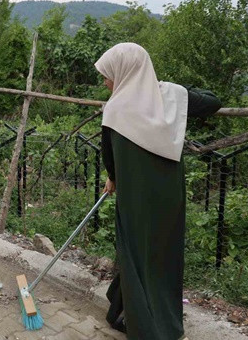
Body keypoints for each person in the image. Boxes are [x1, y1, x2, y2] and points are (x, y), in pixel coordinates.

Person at [94, 43, 222, 339]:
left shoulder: (114, 110)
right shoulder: (172, 95)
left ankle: (142, 324)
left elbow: (109, 158)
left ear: (125, 73)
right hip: (168, 197)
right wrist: (177, 88)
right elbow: (213, 102)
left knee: (135, 253)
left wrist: (113, 178)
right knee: (162, 255)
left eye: (107, 75)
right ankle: (150, 313)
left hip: (135, 199)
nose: (105, 82)